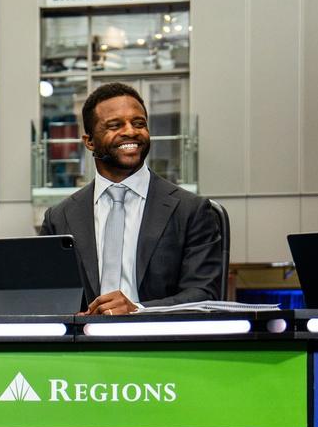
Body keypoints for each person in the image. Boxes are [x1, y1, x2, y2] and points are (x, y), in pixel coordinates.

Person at [40, 82, 221, 314]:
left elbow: (204, 295)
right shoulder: (59, 217)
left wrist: (138, 309)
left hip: (160, 344)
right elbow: (47, 295)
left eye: (139, 123)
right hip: (83, 345)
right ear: (89, 142)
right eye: (115, 125)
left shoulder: (192, 210)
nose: (131, 131)